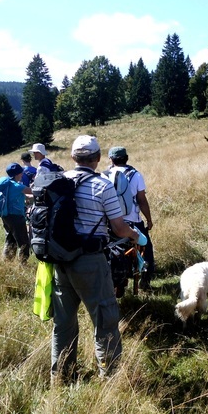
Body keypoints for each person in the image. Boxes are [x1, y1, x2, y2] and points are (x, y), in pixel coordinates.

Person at [50, 135, 144, 384]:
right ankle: (110, 379)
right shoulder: (103, 185)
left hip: (60, 261)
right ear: (98, 158)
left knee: (63, 323)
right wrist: (136, 236)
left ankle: (61, 377)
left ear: (73, 158)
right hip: (90, 261)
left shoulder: (59, 181)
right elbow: (119, 227)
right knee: (105, 319)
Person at [105, 146, 155, 290]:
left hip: (111, 223)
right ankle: (145, 281)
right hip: (133, 221)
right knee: (146, 247)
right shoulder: (136, 175)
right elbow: (141, 200)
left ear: (111, 159)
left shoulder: (104, 175)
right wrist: (149, 220)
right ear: (126, 158)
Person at [0, 163, 32, 262]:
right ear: (17, 174)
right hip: (16, 217)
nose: (22, 175)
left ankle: (7, 261)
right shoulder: (17, 186)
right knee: (24, 242)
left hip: (6, 215)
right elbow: (33, 191)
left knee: (10, 239)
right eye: (21, 173)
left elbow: (21, 196)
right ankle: (23, 264)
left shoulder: (7, 184)